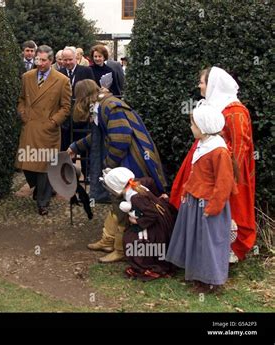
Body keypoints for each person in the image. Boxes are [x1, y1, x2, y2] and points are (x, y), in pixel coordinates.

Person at [67, 79, 168, 263]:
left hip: (132, 161)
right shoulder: (104, 105)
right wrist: (75, 147)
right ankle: (108, 240)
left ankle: (120, 249)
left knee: (125, 201)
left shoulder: (110, 107)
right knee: (117, 201)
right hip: (125, 160)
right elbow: (97, 138)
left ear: (82, 98)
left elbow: (121, 138)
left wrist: (109, 166)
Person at [169, 66, 256, 263]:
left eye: (202, 82)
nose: (199, 86)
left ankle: (221, 257)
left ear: (213, 85)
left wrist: (223, 177)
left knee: (225, 217)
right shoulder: (217, 107)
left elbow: (240, 148)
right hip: (206, 168)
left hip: (224, 176)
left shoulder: (235, 112)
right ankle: (198, 251)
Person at [166, 104, 237, 293]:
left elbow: (224, 183)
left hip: (208, 204)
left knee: (209, 243)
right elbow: (195, 174)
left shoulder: (218, 150)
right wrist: (185, 193)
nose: (191, 128)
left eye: (194, 125)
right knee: (196, 240)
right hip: (194, 201)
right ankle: (198, 275)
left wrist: (213, 207)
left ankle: (211, 281)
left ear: (204, 126)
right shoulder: (203, 145)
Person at [16, 45, 72, 215]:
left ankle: (43, 201)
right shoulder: (27, 77)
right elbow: (21, 99)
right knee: (27, 164)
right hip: (31, 126)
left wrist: (53, 121)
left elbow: (66, 107)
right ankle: (37, 190)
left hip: (49, 130)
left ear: (51, 60)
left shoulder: (62, 80)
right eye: (37, 60)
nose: (39, 63)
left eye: (43, 60)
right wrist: (23, 114)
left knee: (45, 167)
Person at [101, 167, 176, 280]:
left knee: (130, 239)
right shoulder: (138, 184)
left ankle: (146, 265)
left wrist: (136, 221)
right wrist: (156, 196)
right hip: (161, 220)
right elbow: (150, 180)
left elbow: (152, 214)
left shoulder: (135, 197)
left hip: (157, 226)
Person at [58, 46, 95, 151]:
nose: (68, 62)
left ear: (76, 58)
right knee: (65, 148)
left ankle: (85, 168)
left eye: (70, 59)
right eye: (65, 60)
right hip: (65, 120)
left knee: (84, 148)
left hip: (82, 117)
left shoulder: (86, 71)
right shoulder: (59, 73)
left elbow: (92, 91)